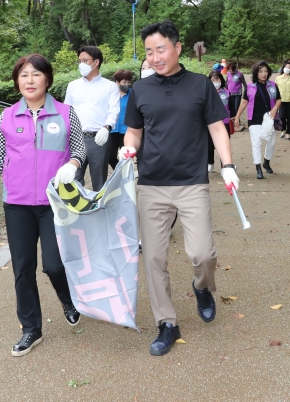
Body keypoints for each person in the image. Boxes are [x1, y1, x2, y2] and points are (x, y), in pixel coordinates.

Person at [117, 19, 238, 357]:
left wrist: (227, 166)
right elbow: (135, 132)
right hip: (152, 185)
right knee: (154, 258)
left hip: (191, 183)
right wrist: (128, 148)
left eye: (161, 49)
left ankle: (202, 287)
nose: (155, 57)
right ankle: (167, 323)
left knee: (203, 254)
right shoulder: (141, 89)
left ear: (177, 47)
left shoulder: (201, 85)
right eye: (148, 52)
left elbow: (217, 128)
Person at [0, 54, 87, 357]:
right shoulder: (7, 117)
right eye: (24, 76)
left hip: (54, 203)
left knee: (54, 264)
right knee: (23, 268)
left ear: (47, 79)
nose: (30, 80)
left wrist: (73, 164)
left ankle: (67, 299)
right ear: (17, 82)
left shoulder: (65, 113)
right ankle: (31, 329)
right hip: (17, 204)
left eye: (36, 74)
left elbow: (79, 148)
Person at [64, 46, 120, 191]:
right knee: (73, 179)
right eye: (79, 61)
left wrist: (107, 127)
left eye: (85, 60)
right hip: (76, 139)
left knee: (99, 181)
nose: (81, 64)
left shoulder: (110, 87)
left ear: (96, 62)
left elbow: (114, 110)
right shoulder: (73, 86)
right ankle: (76, 211)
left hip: (99, 139)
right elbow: (66, 111)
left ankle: (99, 211)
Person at [233, 60, 281, 179]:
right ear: (256, 73)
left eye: (265, 71)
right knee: (257, 143)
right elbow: (244, 102)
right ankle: (258, 167)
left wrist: (275, 108)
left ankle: (266, 162)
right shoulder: (250, 86)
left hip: (269, 118)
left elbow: (279, 99)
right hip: (254, 118)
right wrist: (237, 116)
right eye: (260, 71)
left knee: (271, 142)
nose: (263, 74)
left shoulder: (273, 85)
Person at [107, 69, 133, 171]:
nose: (127, 84)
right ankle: (120, 172)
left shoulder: (133, 95)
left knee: (126, 157)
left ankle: (126, 178)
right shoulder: (111, 95)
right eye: (124, 82)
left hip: (126, 131)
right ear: (117, 82)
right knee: (110, 156)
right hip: (113, 130)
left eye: (128, 82)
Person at [207, 70, 232, 172]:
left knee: (224, 145)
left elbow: (232, 108)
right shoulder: (207, 93)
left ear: (221, 79)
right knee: (209, 145)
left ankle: (224, 166)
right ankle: (210, 163)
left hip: (224, 122)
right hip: (209, 122)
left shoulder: (227, 93)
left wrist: (234, 118)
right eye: (212, 80)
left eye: (217, 79)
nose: (215, 81)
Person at [275, 61, 290, 140]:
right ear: (283, 68)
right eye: (286, 67)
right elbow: (275, 89)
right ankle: (283, 129)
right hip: (281, 100)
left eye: (289, 68)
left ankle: (289, 132)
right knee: (282, 116)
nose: (287, 69)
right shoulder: (278, 78)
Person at [225, 62, 246, 130]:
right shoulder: (228, 74)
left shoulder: (240, 74)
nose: (230, 71)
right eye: (229, 69)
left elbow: (244, 83)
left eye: (231, 69)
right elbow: (226, 83)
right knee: (231, 107)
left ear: (234, 69)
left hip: (237, 93)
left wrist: (247, 91)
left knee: (237, 107)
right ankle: (232, 121)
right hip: (230, 93)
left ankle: (237, 120)